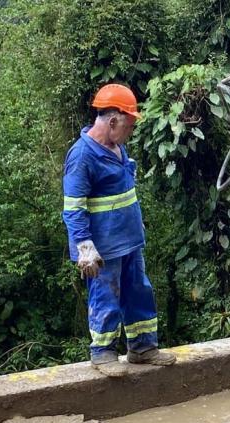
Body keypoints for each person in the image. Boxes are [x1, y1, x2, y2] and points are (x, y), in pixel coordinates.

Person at [62, 83, 176, 377]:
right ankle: (103, 352)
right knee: (106, 296)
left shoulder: (117, 147)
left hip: (128, 241)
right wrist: (84, 247)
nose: (131, 131)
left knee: (139, 292)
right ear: (112, 121)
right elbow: (74, 207)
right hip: (104, 247)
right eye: (129, 124)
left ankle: (142, 348)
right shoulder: (82, 156)